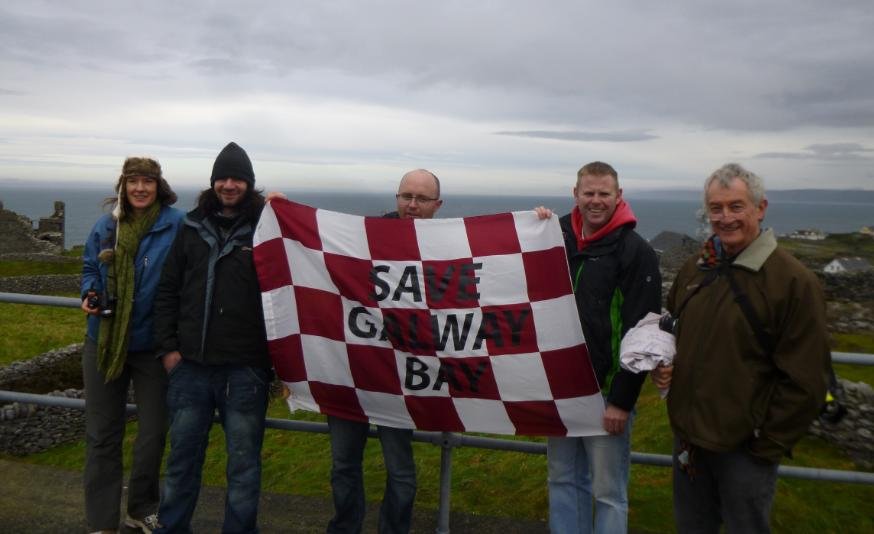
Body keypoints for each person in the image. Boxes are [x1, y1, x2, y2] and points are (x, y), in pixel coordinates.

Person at [651, 163, 829, 533]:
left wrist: (766, 444)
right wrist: (665, 364)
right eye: (716, 208)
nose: (725, 217)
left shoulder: (793, 282)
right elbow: (672, 330)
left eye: (736, 206)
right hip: (690, 442)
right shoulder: (694, 271)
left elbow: (807, 381)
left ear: (760, 208)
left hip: (745, 450)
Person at [152, 142, 272, 533]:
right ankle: (172, 529)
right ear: (213, 182)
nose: (229, 184)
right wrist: (169, 350)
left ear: (250, 184)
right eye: (223, 177)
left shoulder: (268, 228)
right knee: (182, 460)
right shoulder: (189, 227)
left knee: (243, 464)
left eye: (238, 178)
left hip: (245, 369)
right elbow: (168, 289)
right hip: (190, 366)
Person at [536, 161, 661, 533]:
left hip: (606, 393)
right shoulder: (553, 235)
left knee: (607, 491)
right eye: (588, 193)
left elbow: (644, 331)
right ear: (575, 195)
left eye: (603, 193)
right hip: (561, 389)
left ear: (618, 196)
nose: (595, 200)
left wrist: (621, 400)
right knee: (561, 479)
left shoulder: (636, 252)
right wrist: (534, 225)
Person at [326, 168, 442, 534]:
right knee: (343, 464)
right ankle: (345, 529)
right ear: (396, 198)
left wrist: (540, 224)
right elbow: (317, 244)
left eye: (422, 199)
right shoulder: (367, 237)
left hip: (405, 379)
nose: (412, 205)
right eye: (406, 196)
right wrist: (277, 211)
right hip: (352, 371)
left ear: (437, 205)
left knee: (401, 470)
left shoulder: (449, 246)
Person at [80, 157, 183, 533]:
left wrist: (269, 206)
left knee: (153, 433)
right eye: (133, 181)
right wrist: (89, 292)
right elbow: (91, 265)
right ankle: (101, 522)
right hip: (104, 342)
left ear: (159, 186)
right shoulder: (107, 225)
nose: (140, 188)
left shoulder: (177, 225)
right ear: (123, 185)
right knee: (102, 436)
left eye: (148, 182)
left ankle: (141, 508)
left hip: (153, 345)